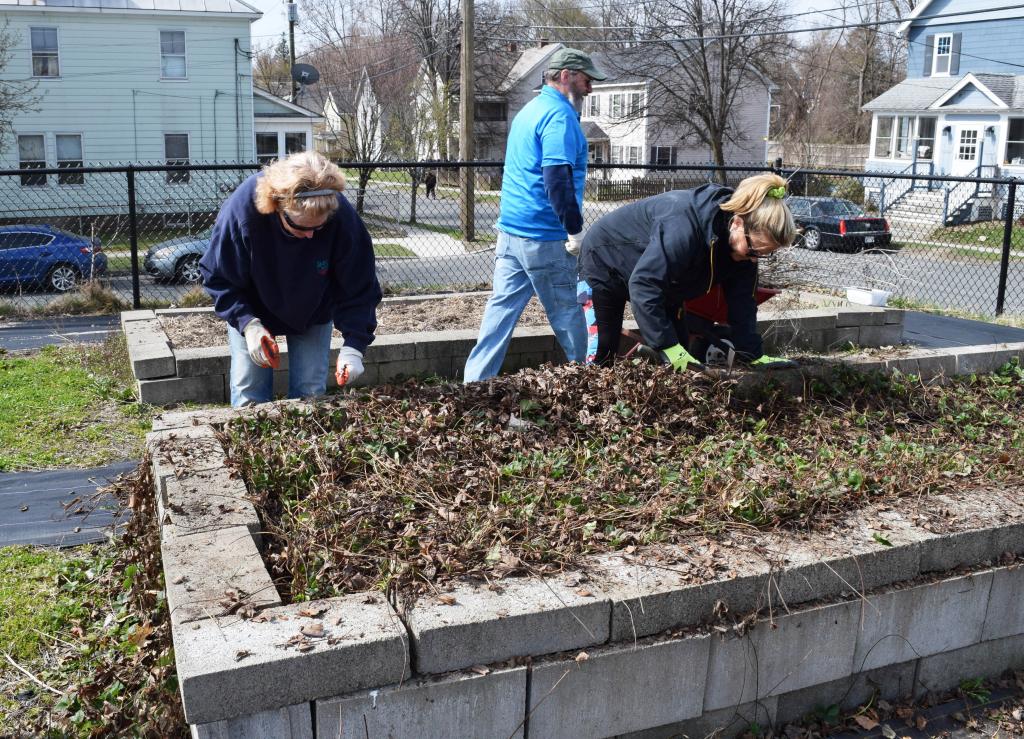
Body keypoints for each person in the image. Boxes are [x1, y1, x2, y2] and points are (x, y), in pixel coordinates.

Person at [463, 47, 607, 382]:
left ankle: (473, 383)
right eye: (586, 80)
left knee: (500, 312)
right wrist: (574, 231)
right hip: (545, 235)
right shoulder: (559, 117)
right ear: (566, 76)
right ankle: (590, 383)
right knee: (569, 311)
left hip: (511, 232)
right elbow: (556, 178)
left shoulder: (529, 111)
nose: (590, 89)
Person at [199, 151, 382, 407]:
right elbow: (219, 277)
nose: (310, 237)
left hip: (313, 309)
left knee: (310, 392)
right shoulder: (243, 211)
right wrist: (248, 324)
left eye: (318, 228)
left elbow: (359, 287)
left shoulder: (341, 217)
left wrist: (354, 346)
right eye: (301, 228)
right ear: (277, 207)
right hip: (253, 308)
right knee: (249, 391)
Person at [577, 173, 798, 370]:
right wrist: (665, 345)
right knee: (604, 350)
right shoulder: (684, 227)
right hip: (604, 261)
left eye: (764, 253)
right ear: (738, 223)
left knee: (683, 354)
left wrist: (752, 354)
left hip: (663, 278)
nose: (754, 259)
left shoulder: (743, 250)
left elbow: (743, 303)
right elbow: (644, 284)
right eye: (753, 250)